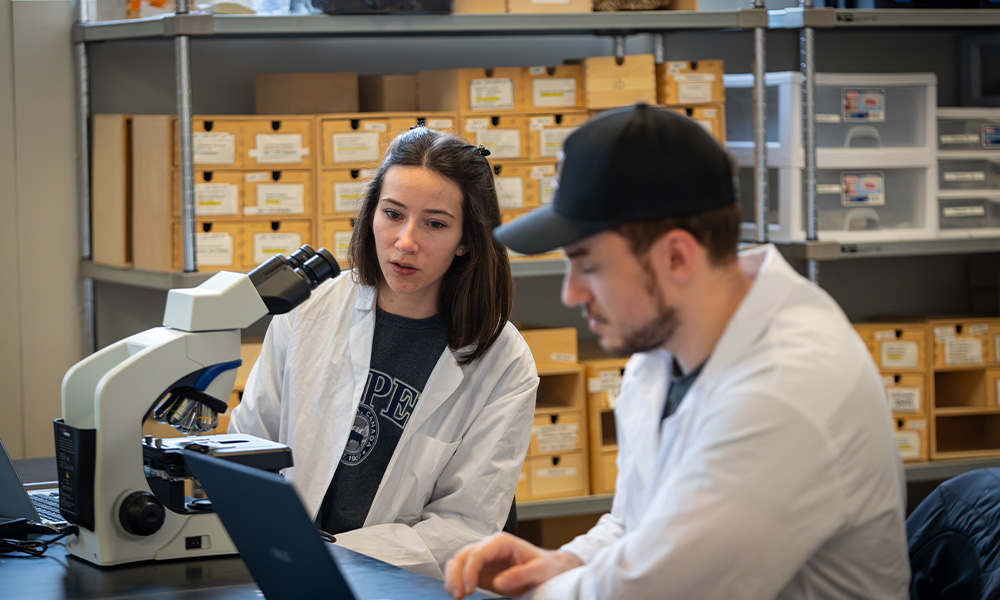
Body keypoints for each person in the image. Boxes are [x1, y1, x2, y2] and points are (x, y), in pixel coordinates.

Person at [444, 103, 910, 599]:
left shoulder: (788, 390)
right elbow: (639, 527)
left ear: (676, 257)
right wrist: (564, 561)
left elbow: (650, 592)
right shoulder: (666, 343)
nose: (571, 294)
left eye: (589, 266)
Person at [229, 126, 539, 578]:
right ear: (371, 214)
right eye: (393, 214)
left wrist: (334, 554)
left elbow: (464, 526)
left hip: (398, 582)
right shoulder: (310, 310)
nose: (406, 241)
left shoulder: (502, 360)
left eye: (434, 223)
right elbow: (250, 444)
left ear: (466, 240)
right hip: (285, 567)